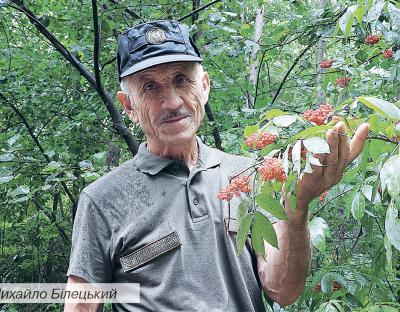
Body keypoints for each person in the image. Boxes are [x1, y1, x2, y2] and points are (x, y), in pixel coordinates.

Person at [64, 20, 369, 311]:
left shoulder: (250, 176)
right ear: (129, 106)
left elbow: (282, 290)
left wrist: (298, 205)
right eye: (150, 87)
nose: (171, 101)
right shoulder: (102, 200)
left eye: (181, 80)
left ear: (205, 86)